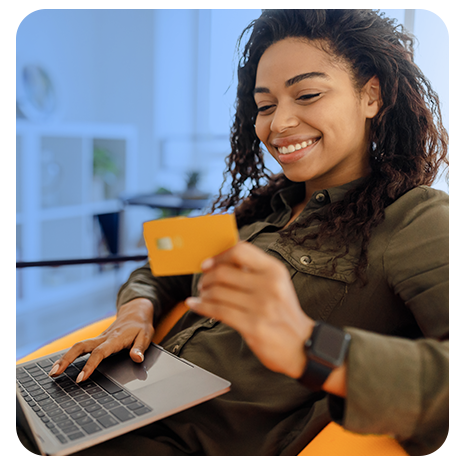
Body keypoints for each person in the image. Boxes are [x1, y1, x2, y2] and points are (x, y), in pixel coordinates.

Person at [17, 9, 449, 456]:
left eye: (307, 94)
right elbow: (161, 269)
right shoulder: (264, 211)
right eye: (265, 106)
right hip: (121, 402)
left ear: (371, 96)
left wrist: (309, 346)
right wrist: (135, 312)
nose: (278, 124)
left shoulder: (416, 220)